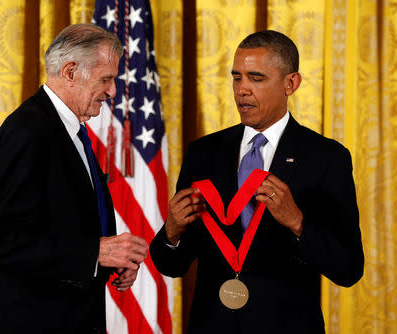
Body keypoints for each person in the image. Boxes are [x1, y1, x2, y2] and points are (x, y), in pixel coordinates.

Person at [150, 30, 364, 333]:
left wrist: (298, 222)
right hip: (213, 325)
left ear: (291, 83)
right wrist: (171, 233)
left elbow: (349, 268)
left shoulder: (326, 157)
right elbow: (171, 265)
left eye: (256, 78)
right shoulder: (203, 153)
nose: (242, 90)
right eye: (237, 78)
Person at [0, 24, 149, 334]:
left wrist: (104, 262)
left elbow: (63, 224)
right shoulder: (26, 132)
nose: (113, 92)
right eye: (106, 79)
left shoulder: (71, 129)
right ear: (70, 71)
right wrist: (94, 252)